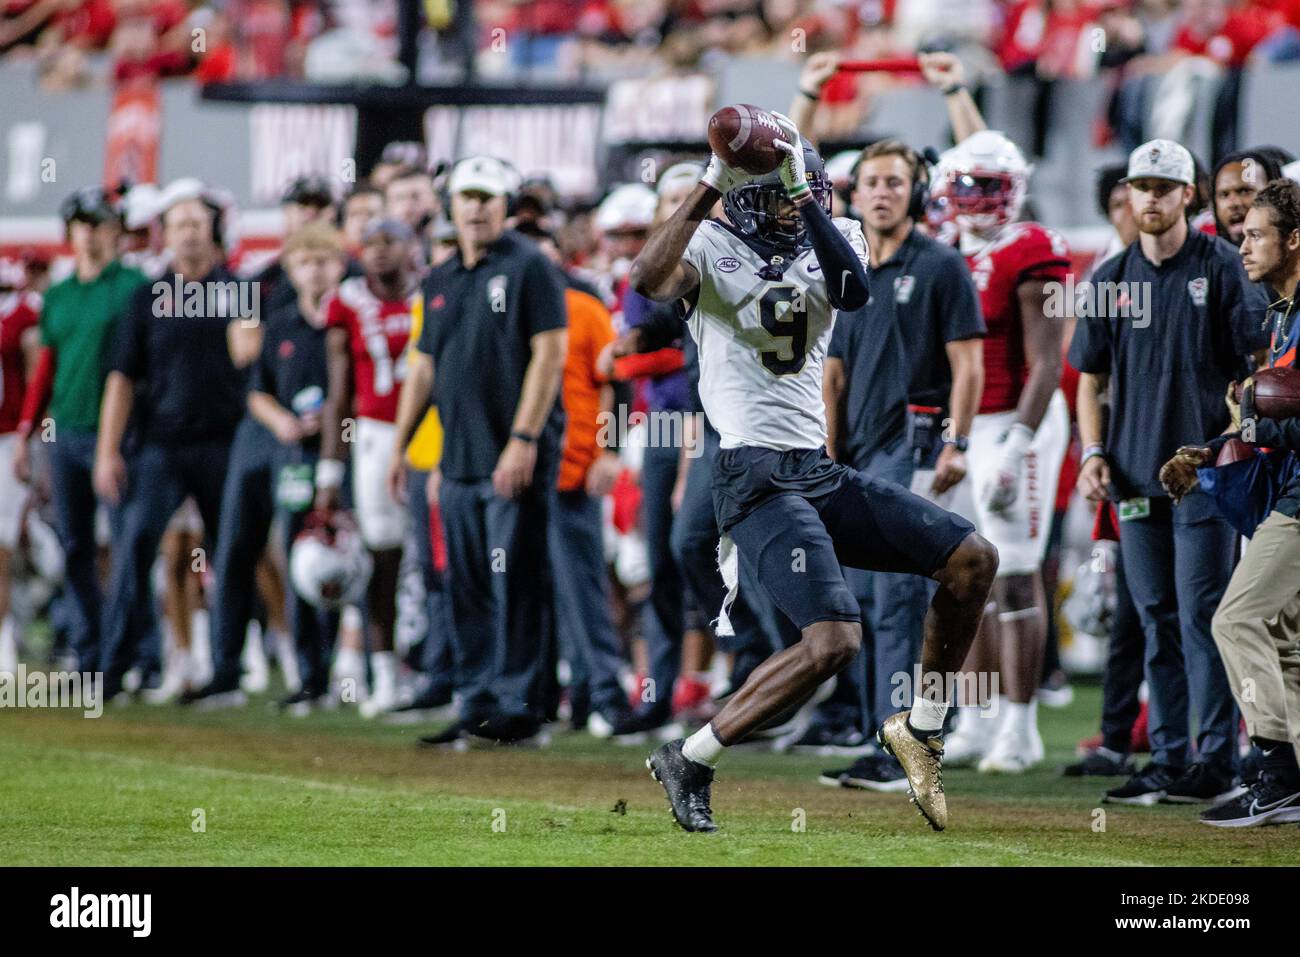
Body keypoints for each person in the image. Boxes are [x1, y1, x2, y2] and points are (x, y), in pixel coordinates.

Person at [630, 113, 998, 833]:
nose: (797, 202)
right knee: (834, 641)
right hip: (752, 474)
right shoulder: (709, 243)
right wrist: (710, 184)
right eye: (780, 193)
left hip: (816, 469)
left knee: (972, 559)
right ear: (741, 198)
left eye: (809, 190)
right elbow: (646, 279)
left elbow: (855, 292)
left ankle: (920, 728)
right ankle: (692, 756)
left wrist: (803, 197)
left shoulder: (842, 237)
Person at [1071, 138, 1271, 806]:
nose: (1150, 198)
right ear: (1127, 194)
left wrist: (1224, 445)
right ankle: (1167, 755)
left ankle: (1216, 756)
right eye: (1141, 186)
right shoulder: (1107, 279)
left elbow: (1253, 371)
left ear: (1191, 195)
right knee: (1156, 615)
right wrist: (1093, 454)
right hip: (1131, 474)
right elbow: (1088, 379)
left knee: (1204, 614)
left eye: (1164, 187)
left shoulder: (1221, 268)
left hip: (1205, 474)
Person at [818, 137, 987, 790]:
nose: (882, 192)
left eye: (895, 181)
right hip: (857, 450)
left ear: (916, 192)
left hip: (913, 446)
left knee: (896, 601)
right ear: (853, 194)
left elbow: (967, 361)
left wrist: (958, 440)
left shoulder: (942, 264)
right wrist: (827, 454)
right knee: (862, 599)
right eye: (871, 182)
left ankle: (900, 738)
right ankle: (882, 735)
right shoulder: (845, 267)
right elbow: (831, 373)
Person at [387, 155, 568, 746]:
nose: (476, 206)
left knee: (515, 579)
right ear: (452, 204)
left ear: (506, 205)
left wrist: (523, 439)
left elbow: (551, 353)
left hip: (510, 454)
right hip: (458, 458)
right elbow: (425, 366)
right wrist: (403, 445)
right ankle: (476, 704)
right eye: (467, 195)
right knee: (463, 581)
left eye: (488, 196)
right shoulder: (440, 279)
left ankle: (522, 710)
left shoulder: (531, 267)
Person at [1159, 178, 1300, 826]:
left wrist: (1250, 420)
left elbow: (1281, 414)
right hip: (1288, 487)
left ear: (1293, 239)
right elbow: (1271, 416)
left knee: (1234, 618)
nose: (1242, 244)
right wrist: (1214, 446)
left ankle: (1273, 768)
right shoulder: (1280, 313)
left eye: (1256, 234)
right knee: (1283, 635)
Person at [94, 187, 249, 700]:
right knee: (136, 546)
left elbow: (252, 357)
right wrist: (107, 450)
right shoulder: (146, 298)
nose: (188, 232)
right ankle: (115, 668)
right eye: (179, 224)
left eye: (197, 223)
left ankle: (226, 671)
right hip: (159, 442)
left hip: (224, 441)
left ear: (213, 230)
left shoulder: (238, 290)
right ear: (165, 233)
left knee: (229, 552)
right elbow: (121, 379)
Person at [16, 189, 148, 677]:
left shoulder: (136, 285)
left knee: (126, 544)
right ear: (69, 232)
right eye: (80, 223)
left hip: (122, 435)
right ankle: (91, 653)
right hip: (67, 431)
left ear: (115, 229)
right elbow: (45, 369)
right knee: (75, 546)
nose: (89, 233)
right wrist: (31, 431)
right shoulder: (58, 295)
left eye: (97, 223)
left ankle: (136, 653)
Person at [315, 218, 419, 718]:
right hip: (375, 436)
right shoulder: (348, 301)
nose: (378, 253)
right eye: (370, 243)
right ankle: (383, 672)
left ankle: (441, 672)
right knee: (383, 559)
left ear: (409, 246)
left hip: (432, 431)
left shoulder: (433, 290)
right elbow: (338, 396)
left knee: (440, 559)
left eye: (389, 242)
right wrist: (328, 473)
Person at [248, 223, 347, 713]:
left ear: (340, 264)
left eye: (324, 259)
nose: (315, 269)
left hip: (346, 451)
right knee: (299, 561)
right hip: (295, 457)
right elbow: (257, 391)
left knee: (357, 557)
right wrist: (283, 422)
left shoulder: (349, 315)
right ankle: (310, 675)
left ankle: (365, 669)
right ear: (290, 268)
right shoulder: (281, 322)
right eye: (305, 260)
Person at [0, 263, 41, 671]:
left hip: (10, 439)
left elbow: (36, 378)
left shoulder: (24, 314)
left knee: (3, 544)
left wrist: (34, 440)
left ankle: (4, 643)